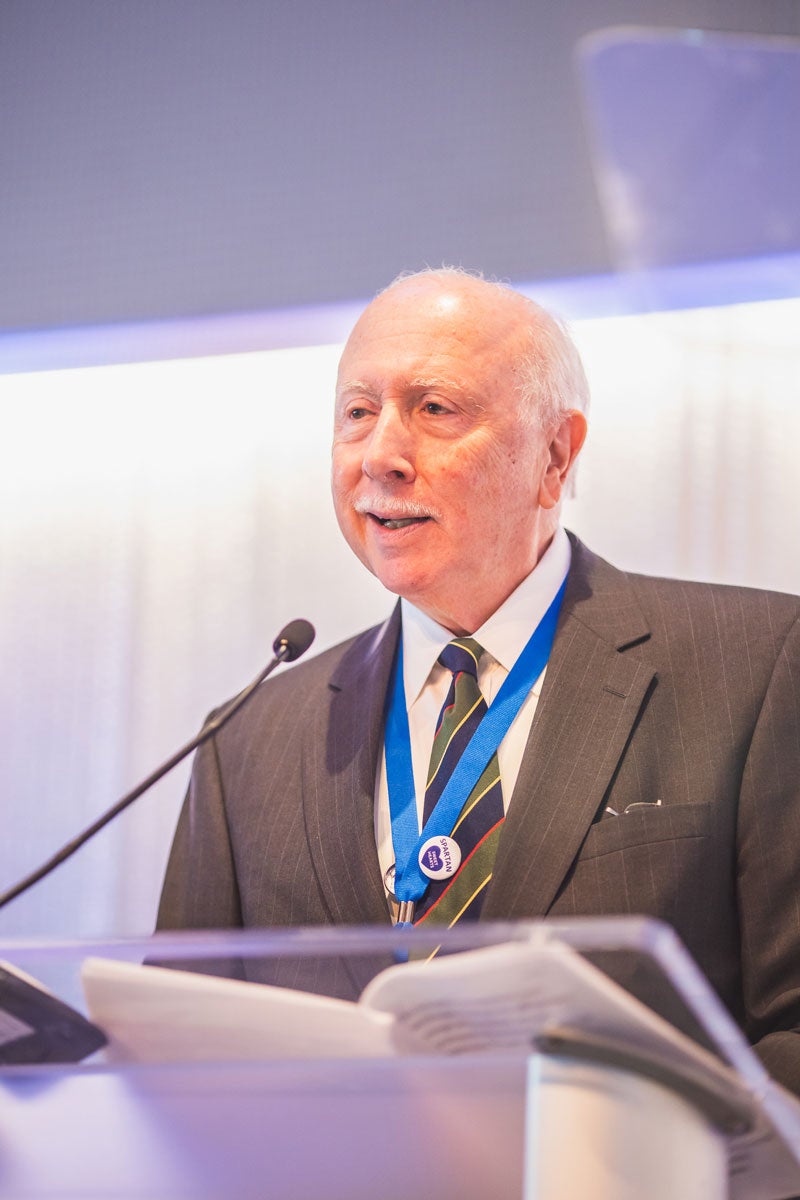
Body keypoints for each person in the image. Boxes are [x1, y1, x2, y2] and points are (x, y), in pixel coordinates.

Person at [157, 268, 800, 1096]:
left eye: (434, 409)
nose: (381, 455)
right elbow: (174, 1057)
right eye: (358, 413)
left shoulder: (756, 664)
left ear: (554, 455)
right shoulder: (245, 741)